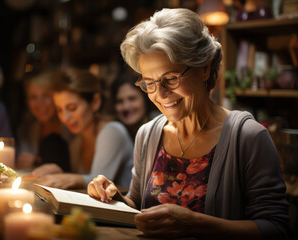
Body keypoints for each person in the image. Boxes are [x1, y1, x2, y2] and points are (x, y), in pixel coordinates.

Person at [87, 8, 291, 239]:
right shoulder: (147, 135)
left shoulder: (247, 137)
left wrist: (194, 224)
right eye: (149, 83)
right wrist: (115, 200)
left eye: (171, 78)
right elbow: (137, 206)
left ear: (204, 67)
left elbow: (276, 229)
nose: (161, 94)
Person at [32, 67, 134, 189]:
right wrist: (59, 172)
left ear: (95, 102)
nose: (65, 118)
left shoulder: (112, 131)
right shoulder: (76, 142)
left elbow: (101, 183)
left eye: (72, 108)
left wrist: (67, 177)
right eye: (59, 110)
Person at [16, 68, 70, 171]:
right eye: (33, 97)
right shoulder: (27, 131)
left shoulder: (73, 127)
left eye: (45, 96)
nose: (39, 104)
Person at [110, 71, 158, 140]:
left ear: (145, 98)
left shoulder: (160, 126)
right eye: (120, 101)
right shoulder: (113, 134)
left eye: (132, 99)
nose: (126, 106)